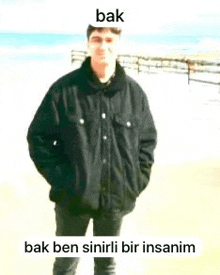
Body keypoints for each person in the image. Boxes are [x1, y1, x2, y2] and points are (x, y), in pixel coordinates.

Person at [27, 24, 157, 275]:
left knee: (106, 265)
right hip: (72, 199)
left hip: (115, 200)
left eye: (109, 39)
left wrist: (134, 182)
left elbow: (147, 142)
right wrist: (65, 180)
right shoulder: (63, 91)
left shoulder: (135, 94)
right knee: (66, 264)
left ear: (118, 45)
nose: (103, 46)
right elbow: (38, 138)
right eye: (96, 39)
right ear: (88, 45)